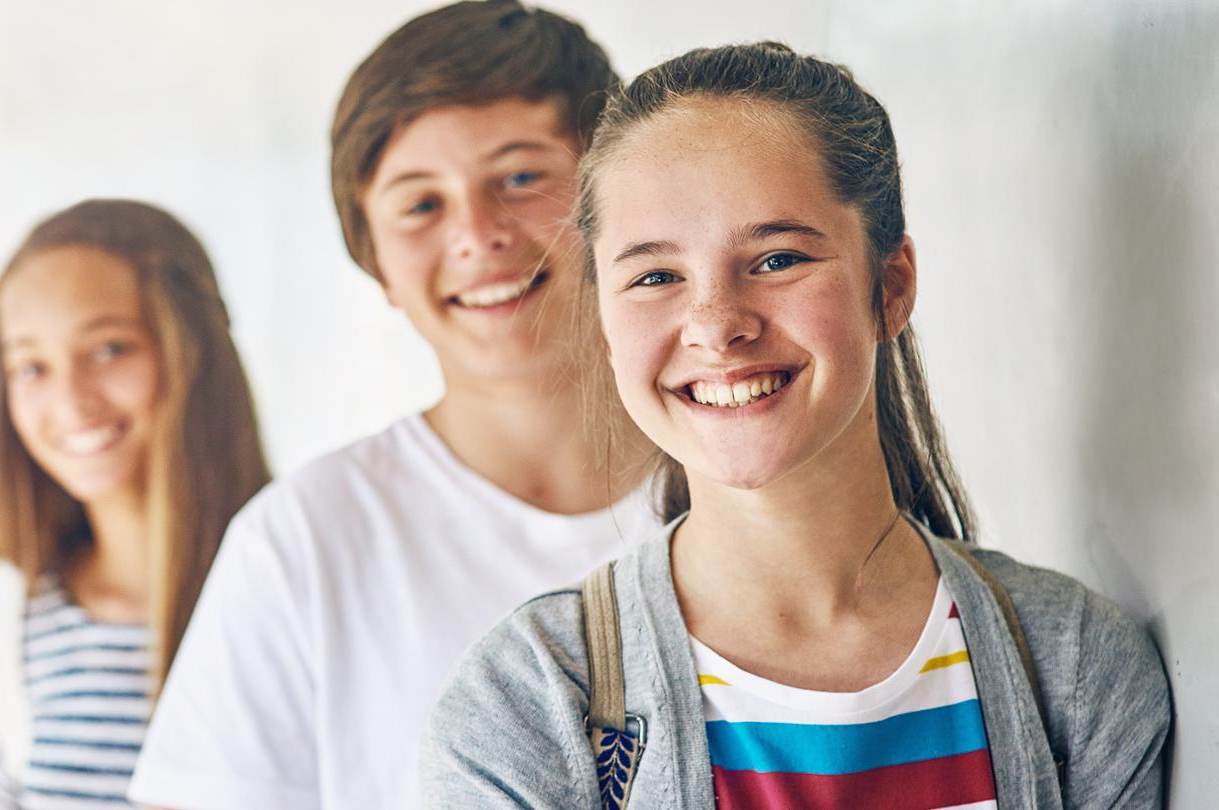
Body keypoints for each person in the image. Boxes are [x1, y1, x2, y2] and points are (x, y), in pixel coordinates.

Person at [422, 42, 1171, 809]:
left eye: (777, 259)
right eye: (655, 277)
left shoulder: (1075, 668)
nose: (715, 325)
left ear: (891, 287)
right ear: (606, 322)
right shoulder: (530, 705)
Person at [130, 3, 654, 807]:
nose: (478, 234)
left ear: (611, 199)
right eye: (421, 204)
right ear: (375, 261)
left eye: (520, 178)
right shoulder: (301, 541)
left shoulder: (751, 491)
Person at [0, 199, 269, 808]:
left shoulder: (286, 584)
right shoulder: (8, 607)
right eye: (31, 367)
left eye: (109, 350)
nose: (72, 403)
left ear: (191, 352)